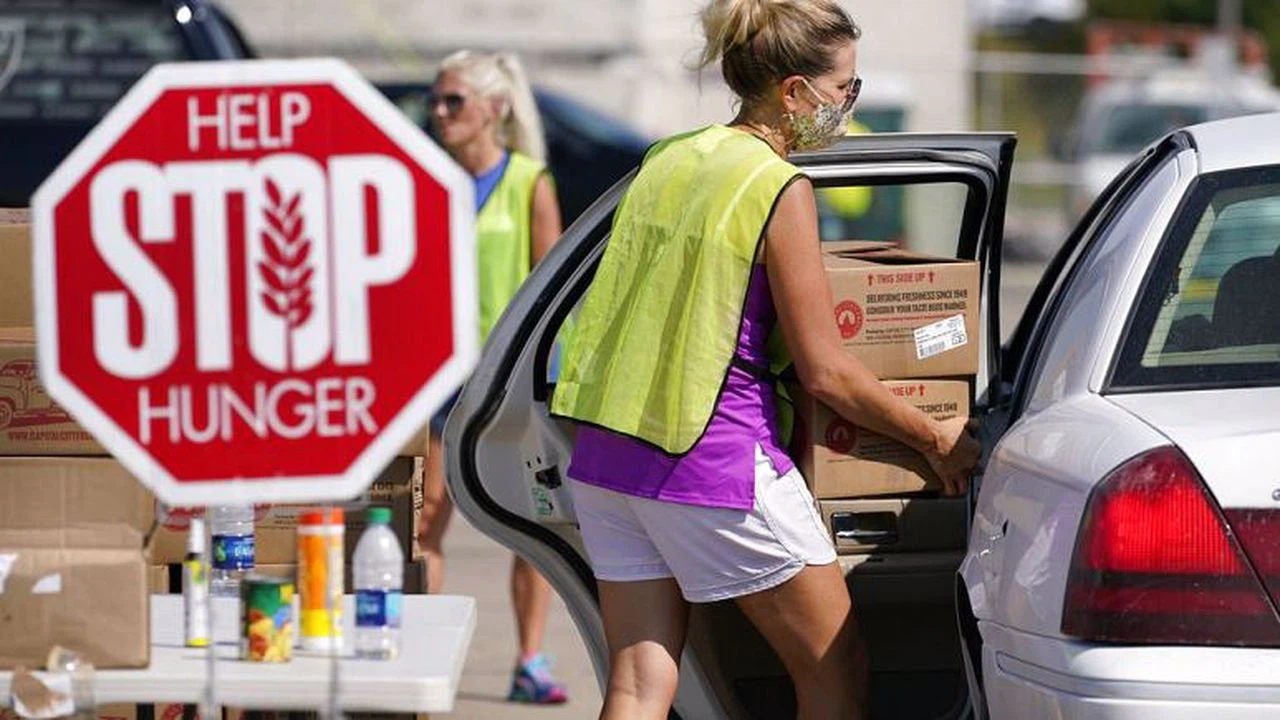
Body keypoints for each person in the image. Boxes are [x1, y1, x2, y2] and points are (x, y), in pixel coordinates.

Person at [549, 1, 982, 719]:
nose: (847, 105)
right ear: (793, 92)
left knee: (635, 683)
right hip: (711, 459)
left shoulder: (671, 156)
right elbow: (827, 371)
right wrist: (938, 439)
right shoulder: (778, 187)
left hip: (610, 455)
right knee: (834, 665)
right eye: (844, 88)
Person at [421, 49, 568, 705]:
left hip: (508, 385)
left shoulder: (529, 181)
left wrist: (547, 387)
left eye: (453, 100)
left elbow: (553, 290)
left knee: (531, 525)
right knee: (424, 523)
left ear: (493, 109)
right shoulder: (424, 179)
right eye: (437, 100)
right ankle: (420, 656)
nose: (439, 112)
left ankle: (530, 660)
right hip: (437, 384)